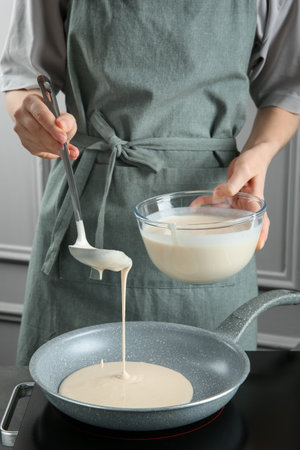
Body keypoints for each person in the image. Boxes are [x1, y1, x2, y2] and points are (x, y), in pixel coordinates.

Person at [1, 0, 299, 365]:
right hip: (89, 205)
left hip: (214, 212)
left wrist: (261, 152)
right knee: (61, 395)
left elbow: (288, 87)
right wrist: (30, 116)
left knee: (213, 393)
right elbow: (25, 76)